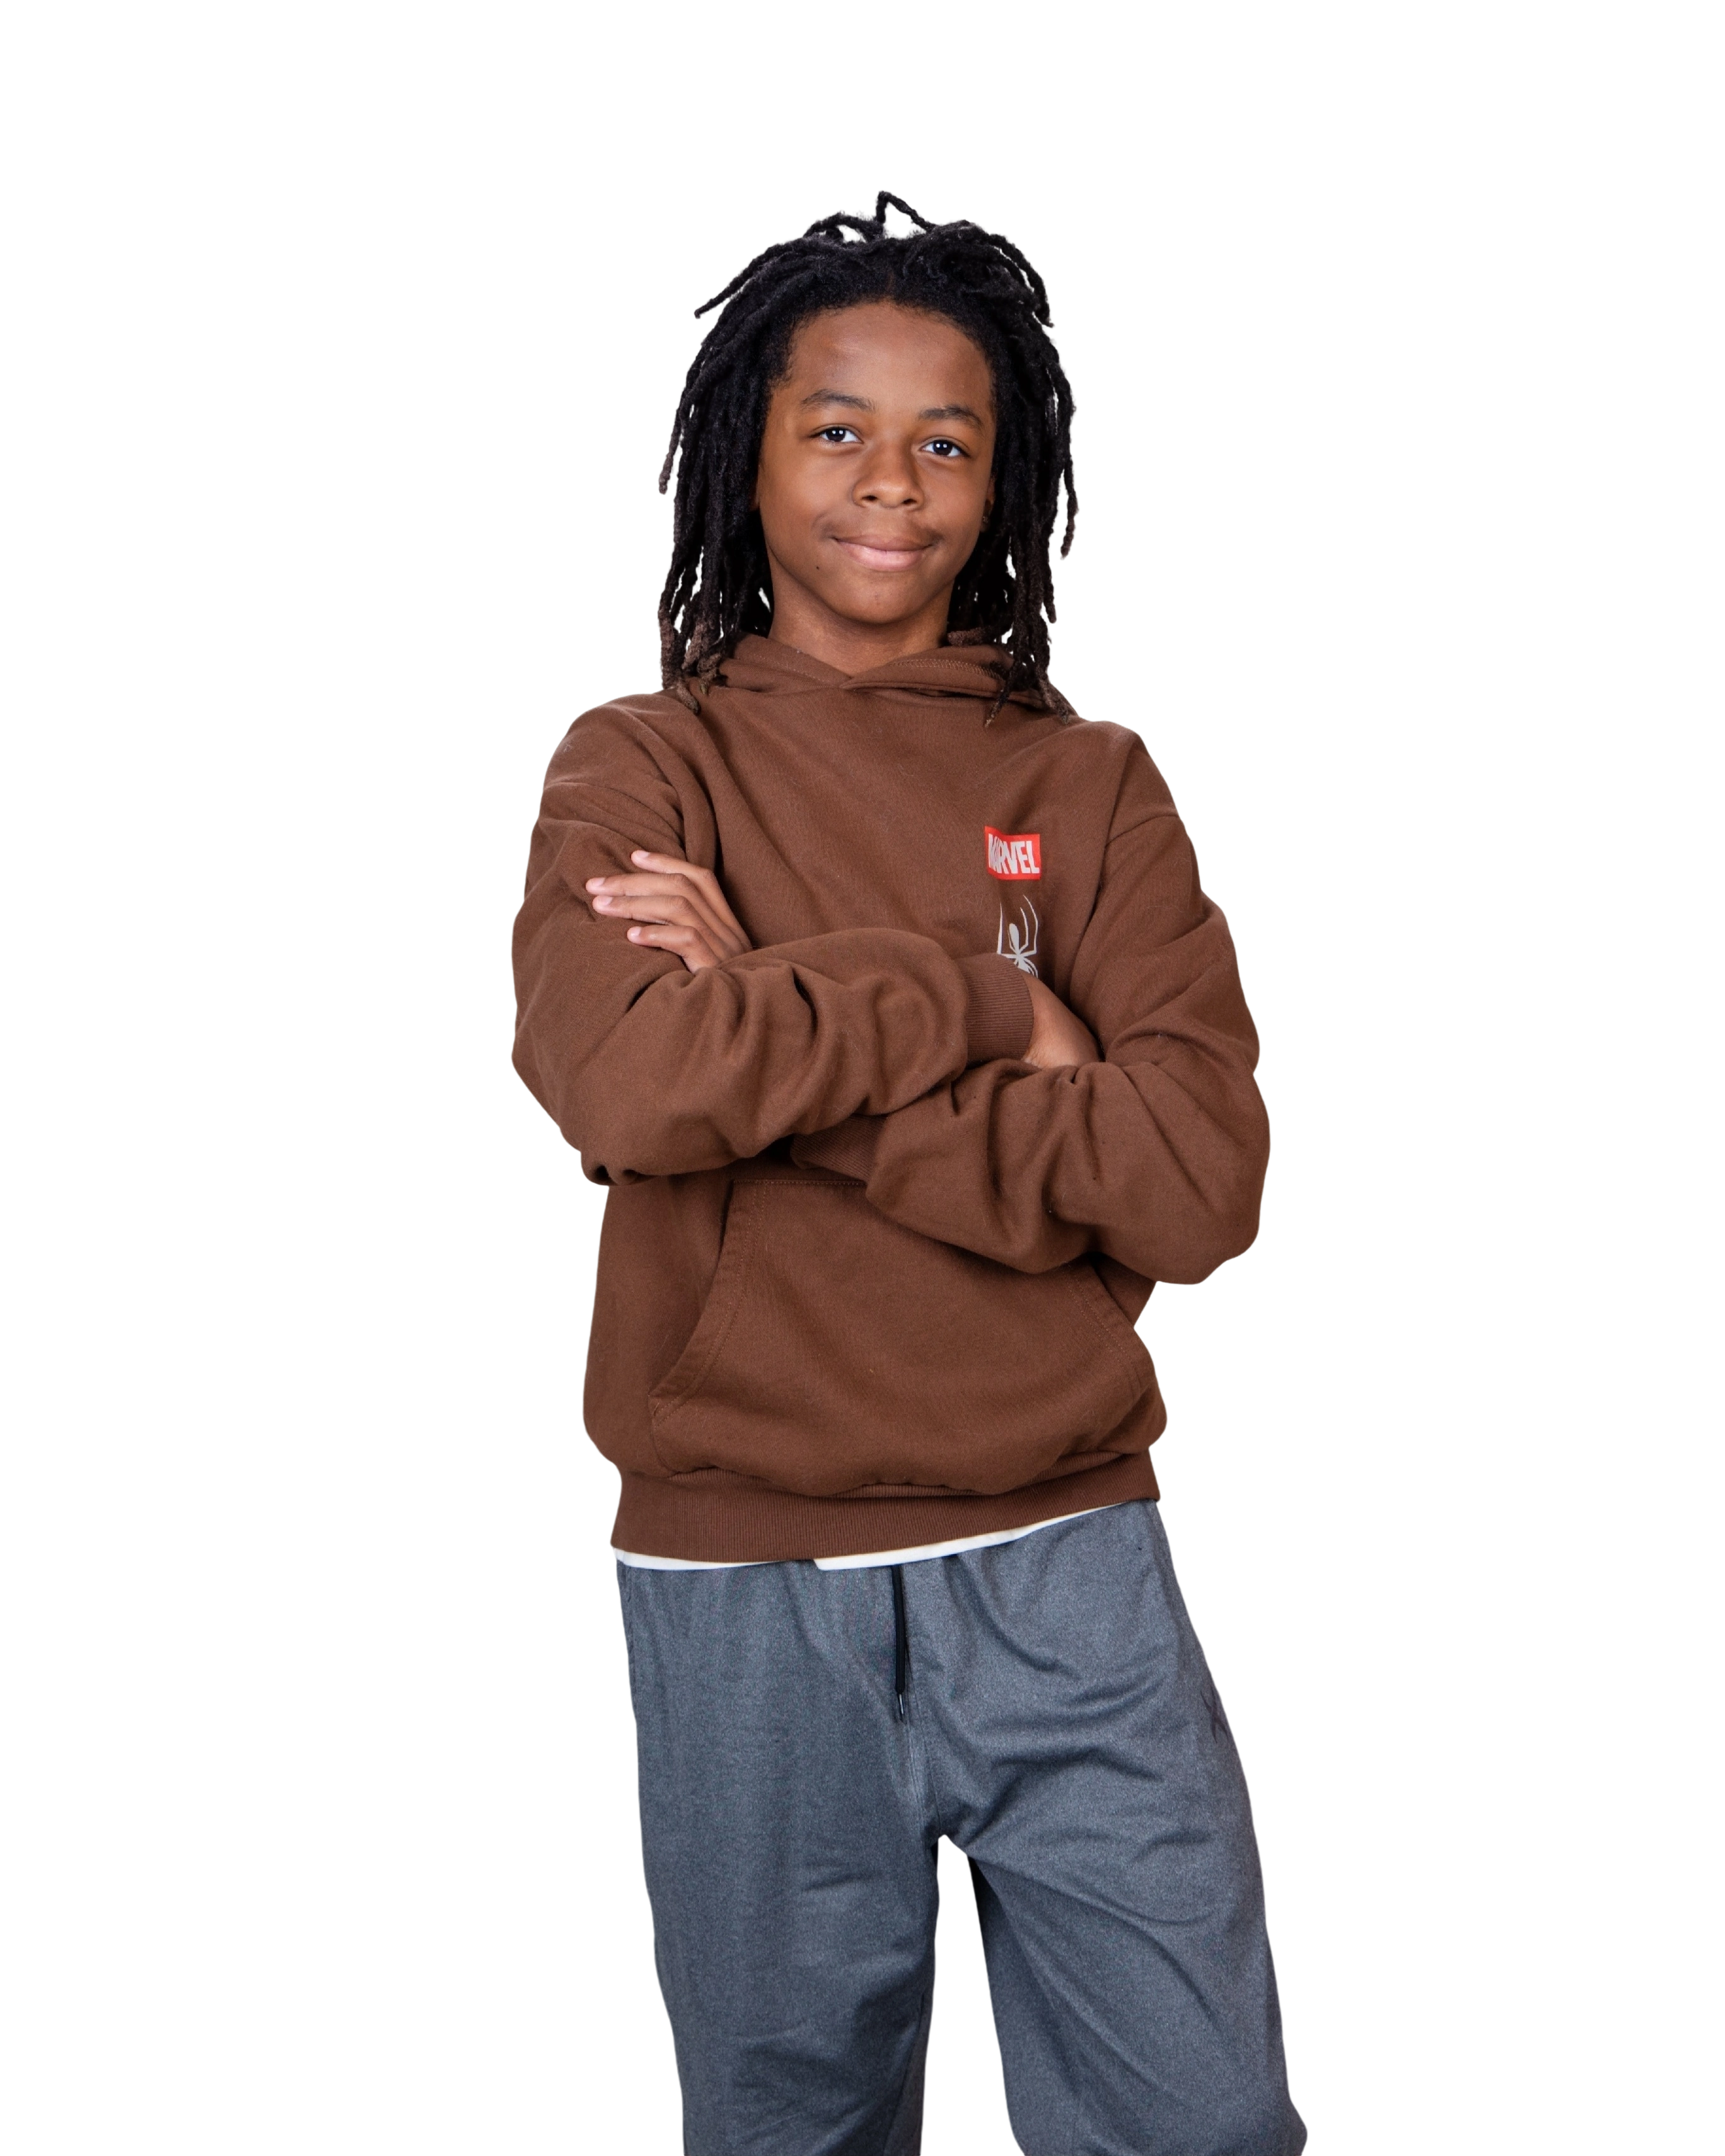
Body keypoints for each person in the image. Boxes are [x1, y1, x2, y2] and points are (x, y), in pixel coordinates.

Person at [509, 188, 1309, 2156]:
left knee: (1202, 2117)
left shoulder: (1091, 786)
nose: (895, 480)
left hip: (1072, 1553)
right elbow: (626, 1081)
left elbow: (1197, 1180)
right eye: (839, 428)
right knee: (793, 2129)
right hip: (742, 1578)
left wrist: (775, 1025)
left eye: (949, 439)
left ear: (1005, 476)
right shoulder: (641, 764)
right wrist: (987, 1002)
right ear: (746, 458)